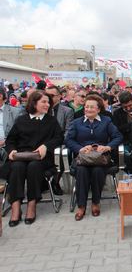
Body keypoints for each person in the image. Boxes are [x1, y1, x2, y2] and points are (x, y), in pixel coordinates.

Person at [4, 91, 64, 227]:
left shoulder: (51, 121)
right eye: (43, 102)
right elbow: (11, 140)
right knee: (16, 167)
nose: (47, 105)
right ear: (33, 103)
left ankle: (32, 205)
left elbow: (59, 137)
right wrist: (11, 150)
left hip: (41, 159)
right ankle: (15, 207)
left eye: (48, 102)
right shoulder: (21, 120)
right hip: (21, 156)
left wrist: (45, 146)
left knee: (34, 166)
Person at [65, 94, 124, 221]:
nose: (89, 109)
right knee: (81, 171)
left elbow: (118, 136)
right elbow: (68, 140)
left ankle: (95, 202)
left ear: (99, 109)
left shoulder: (106, 121)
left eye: (92, 107)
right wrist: (79, 148)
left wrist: (107, 147)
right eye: (87, 107)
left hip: (100, 158)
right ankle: (81, 206)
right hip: (83, 158)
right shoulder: (77, 122)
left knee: (97, 171)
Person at [46, 85, 75, 196]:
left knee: (63, 152)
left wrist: (58, 142)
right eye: (46, 95)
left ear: (59, 97)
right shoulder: (42, 110)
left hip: (61, 142)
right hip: (45, 143)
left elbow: (68, 131)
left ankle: (55, 181)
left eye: (51, 96)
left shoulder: (67, 111)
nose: (48, 98)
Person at [0, 87, 24, 163]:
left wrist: (4, 142)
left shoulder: (15, 112)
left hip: (7, 147)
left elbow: (20, 133)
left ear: (0, 96)